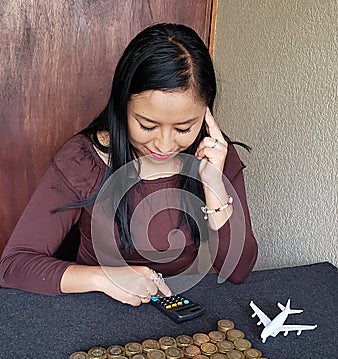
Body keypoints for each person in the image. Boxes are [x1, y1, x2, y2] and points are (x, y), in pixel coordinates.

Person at [0, 23, 258, 306]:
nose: (163, 145)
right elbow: (14, 264)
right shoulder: (84, 160)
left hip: (183, 316)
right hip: (96, 313)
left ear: (206, 114)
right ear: (122, 105)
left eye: (184, 129)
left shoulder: (216, 157)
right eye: (147, 125)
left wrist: (213, 183)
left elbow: (238, 272)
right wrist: (104, 277)